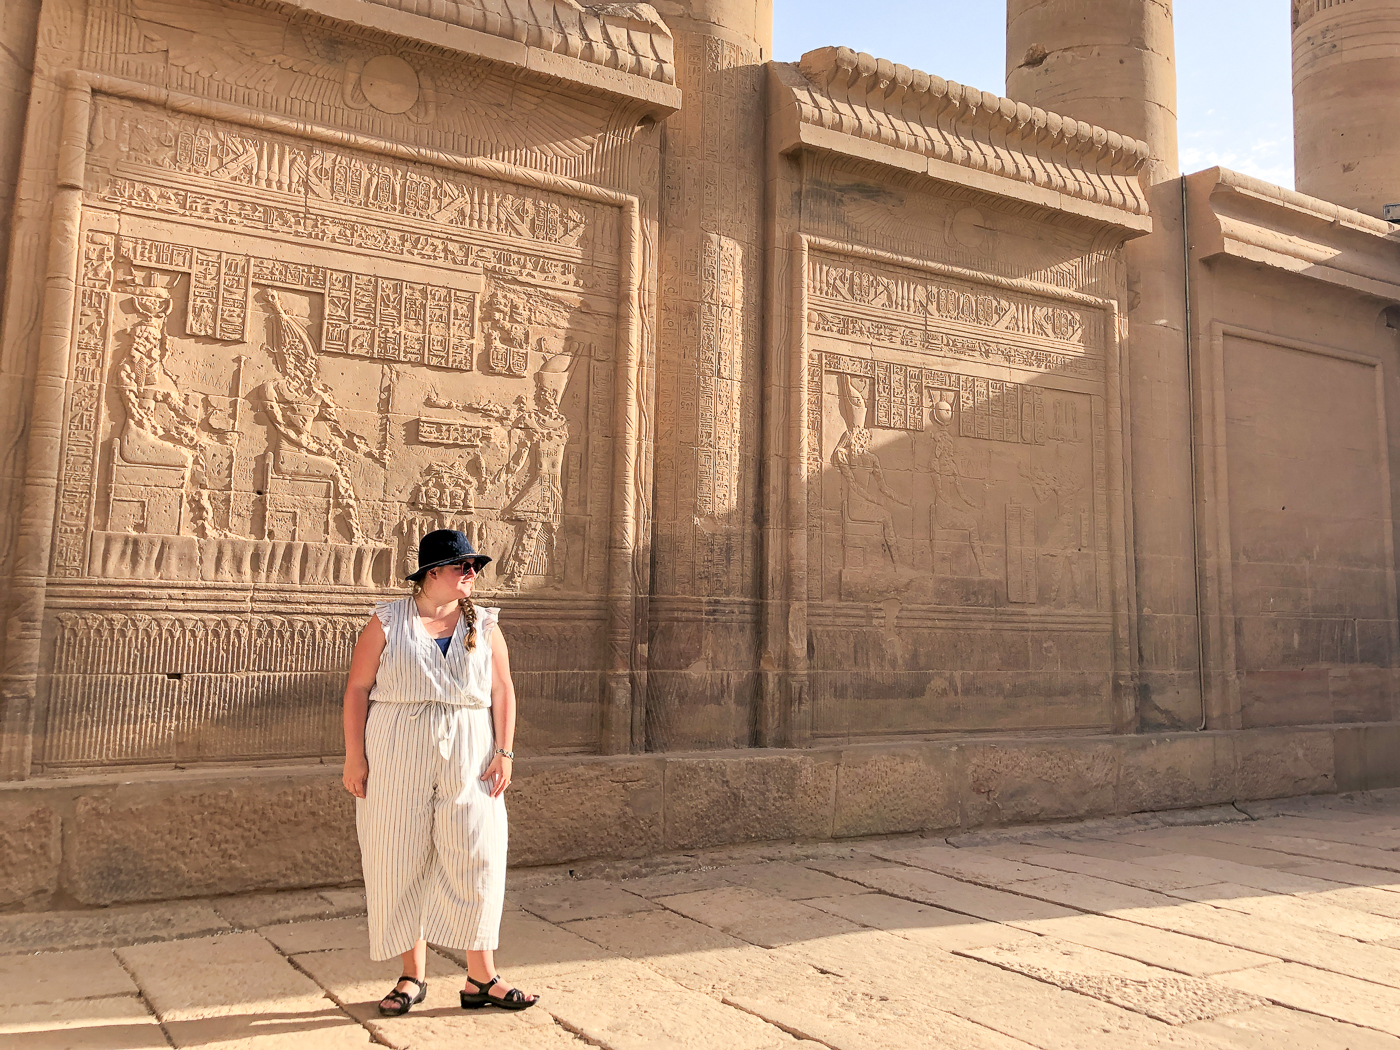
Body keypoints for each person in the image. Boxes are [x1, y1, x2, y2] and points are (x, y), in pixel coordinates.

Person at [341, 528, 538, 1015]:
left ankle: (481, 977)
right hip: (395, 750)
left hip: (471, 750)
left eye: (475, 567)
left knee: (478, 852)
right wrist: (354, 756)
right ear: (432, 574)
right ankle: (412, 975)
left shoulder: (486, 625)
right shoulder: (387, 622)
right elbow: (357, 690)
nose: (472, 574)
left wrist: (506, 751)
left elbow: (503, 691)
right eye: (462, 566)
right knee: (399, 854)